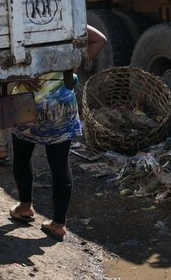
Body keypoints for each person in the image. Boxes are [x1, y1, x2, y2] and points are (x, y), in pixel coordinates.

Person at [6, 25, 107, 241]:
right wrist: (76, 62)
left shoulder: (20, 21)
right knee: (60, 164)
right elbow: (100, 39)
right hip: (61, 102)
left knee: (22, 155)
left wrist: (18, 75)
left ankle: (25, 208)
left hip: (27, 102)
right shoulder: (66, 21)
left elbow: (0, 56)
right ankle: (58, 225)